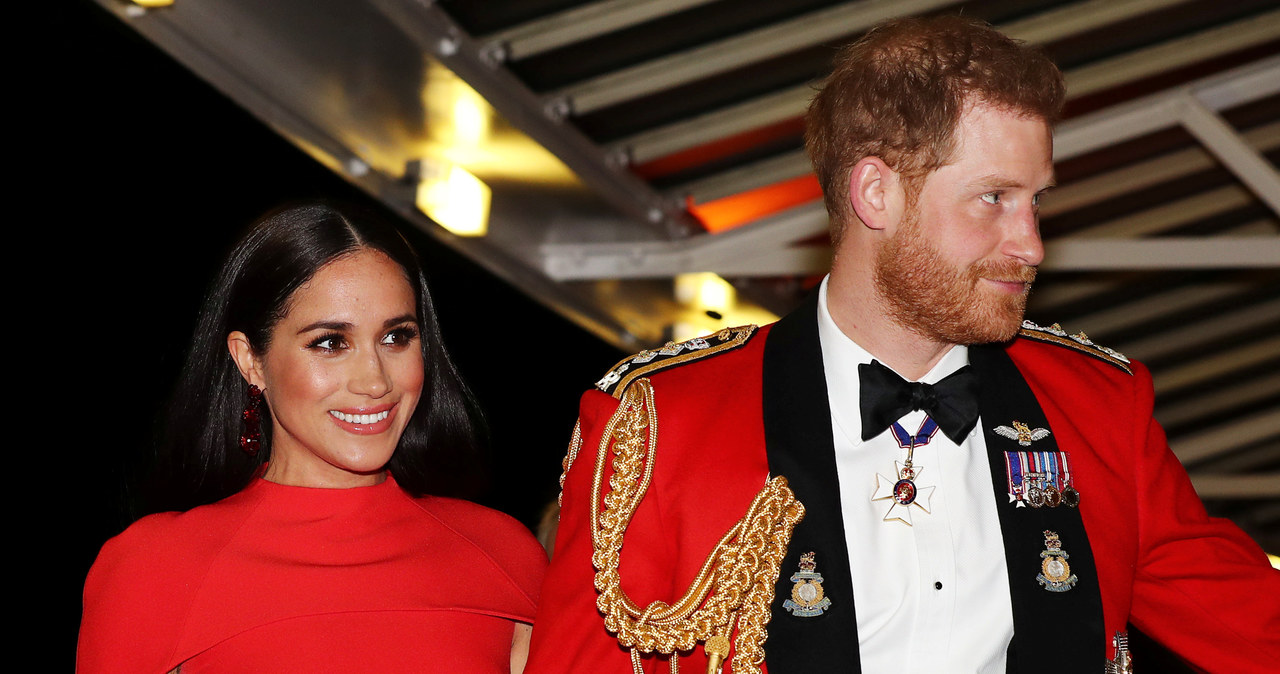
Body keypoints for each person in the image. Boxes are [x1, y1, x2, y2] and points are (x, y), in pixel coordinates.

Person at [525, 16, 1280, 674]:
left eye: (1036, 200)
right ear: (875, 194)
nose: (1033, 244)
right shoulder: (660, 423)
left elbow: (1255, 627)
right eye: (994, 199)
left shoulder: (1100, 408)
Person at [78, 203, 547, 673]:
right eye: (330, 342)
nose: (374, 380)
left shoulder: (503, 555)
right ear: (250, 361)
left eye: (396, 337)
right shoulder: (154, 569)